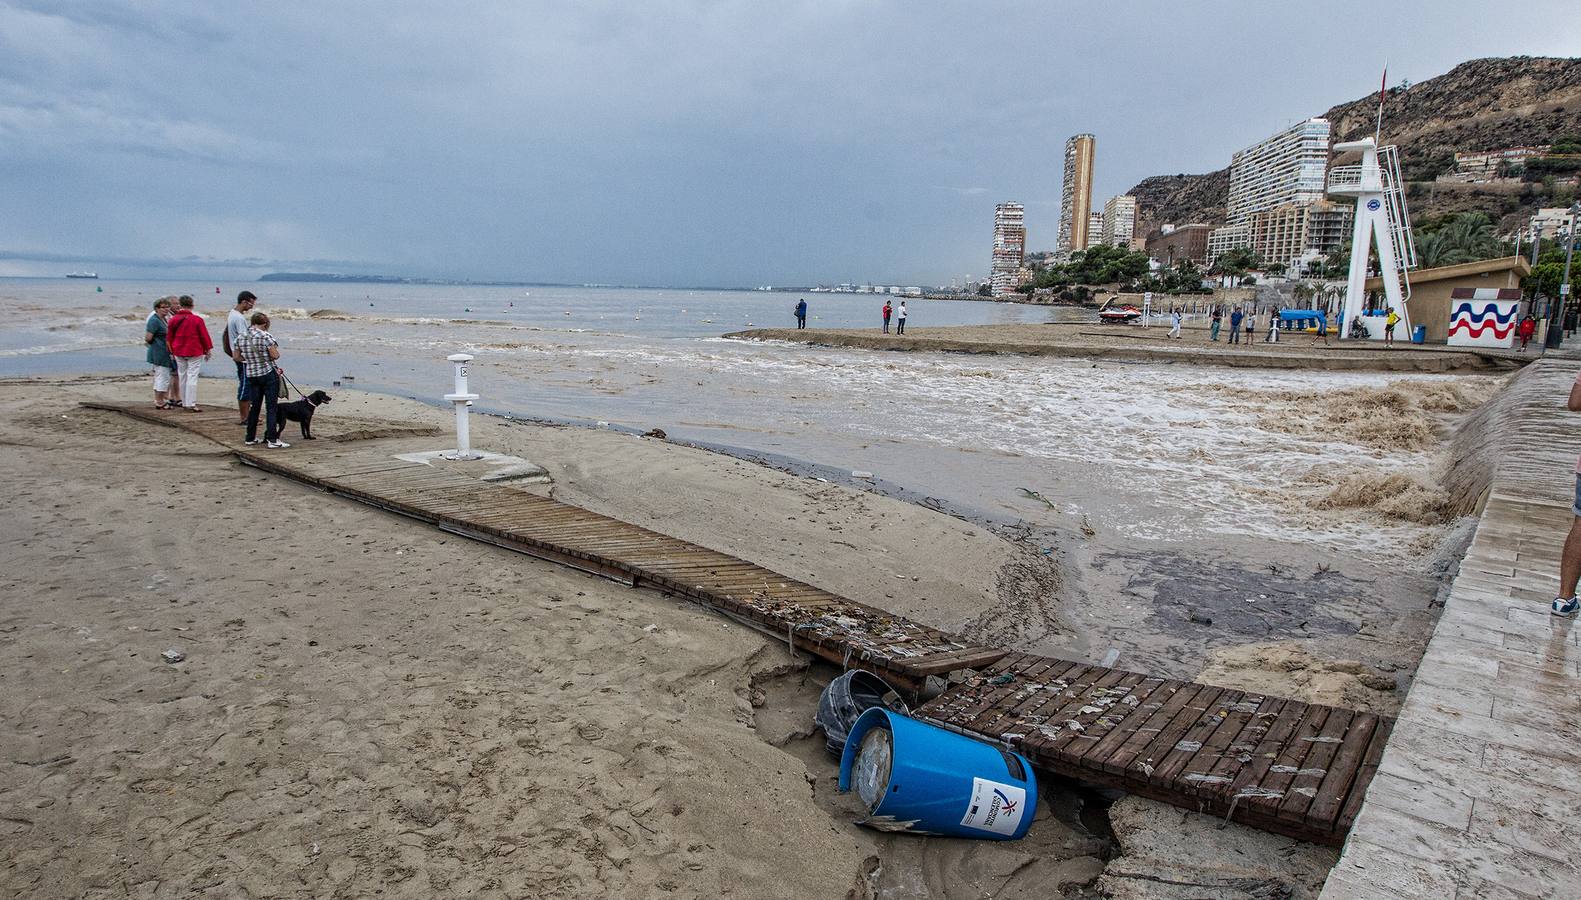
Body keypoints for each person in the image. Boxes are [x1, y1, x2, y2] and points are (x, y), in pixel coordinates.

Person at [233, 311, 288, 448]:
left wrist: (250, 360)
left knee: (255, 407)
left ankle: (250, 437)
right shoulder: (265, 336)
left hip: (251, 374)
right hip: (267, 373)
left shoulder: (241, 337)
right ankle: (272, 440)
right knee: (271, 407)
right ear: (265, 323)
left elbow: (236, 357)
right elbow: (275, 355)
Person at [165, 295, 212, 411]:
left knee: (182, 375)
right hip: (194, 350)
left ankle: (185, 401)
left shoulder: (173, 319)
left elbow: (169, 337)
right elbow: (204, 336)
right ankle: (190, 403)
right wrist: (208, 349)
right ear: (192, 305)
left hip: (178, 350)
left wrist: (170, 351)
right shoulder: (197, 320)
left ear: (180, 305)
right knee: (192, 376)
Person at [226, 291, 257, 424]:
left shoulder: (233, 314)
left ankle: (248, 415)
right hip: (243, 358)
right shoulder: (238, 318)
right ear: (244, 301)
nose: (251, 306)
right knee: (245, 386)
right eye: (251, 303)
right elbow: (243, 338)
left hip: (239, 356)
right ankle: (245, 417)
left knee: (246, 385)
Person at [143, 297, 178, 408]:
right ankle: (159, 401)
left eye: (167, 307)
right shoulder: (154, 320)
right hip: (159, 351)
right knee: (162, 376)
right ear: (157, 308)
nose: (166, 309)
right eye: (163, 307)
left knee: (162, 376)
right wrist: (157, 343)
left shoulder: (164, 319)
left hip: (165, 351)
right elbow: (148, 338)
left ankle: (161, 399)